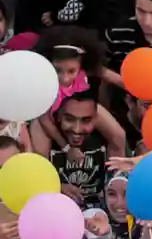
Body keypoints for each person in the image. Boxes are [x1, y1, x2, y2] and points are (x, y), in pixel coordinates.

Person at [30, 26, 126, 164]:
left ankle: (116, 174)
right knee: (39, 156)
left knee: (119, 136)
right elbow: (44, 119)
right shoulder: (42, 81)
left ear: (81, 62)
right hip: (47, 117)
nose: (65, 78)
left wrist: (148, 92)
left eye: (71, 71)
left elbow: (118, 80)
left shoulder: (89, 68)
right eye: (58, 70)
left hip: (81, 110)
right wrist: (66, 147)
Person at [41, 90, 113, 209]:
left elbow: (120, 137)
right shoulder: (45, 137)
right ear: (58, 116)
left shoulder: (108, 138)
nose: (77, 129)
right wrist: (56, 187)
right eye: (69, 119)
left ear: (96, 118)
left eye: (86, 120)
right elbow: (36, 178)